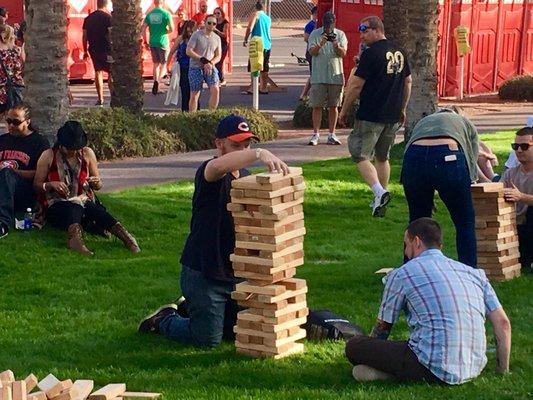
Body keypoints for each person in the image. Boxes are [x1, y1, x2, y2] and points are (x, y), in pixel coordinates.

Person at [138, 114, 290, 347]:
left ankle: (191, 308)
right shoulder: (210, 171)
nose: (243, 150)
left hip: (234, 272)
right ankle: (164, 319)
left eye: (247, 145)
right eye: (235, 145)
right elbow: (218, 166)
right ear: (219, 144)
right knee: (208, 340)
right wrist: (259, 153)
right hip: (204, 271)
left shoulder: (247, 179)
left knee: (238, 331)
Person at [346, 218, 511, 384]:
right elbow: (503, 323)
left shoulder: (402, 274)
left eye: (406, 245)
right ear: (440, 245)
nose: (405, 252)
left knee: (354, 346)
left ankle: (387, 374)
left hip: (428, 364)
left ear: (416, 241)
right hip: (473, 367)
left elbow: (383, 328)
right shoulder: (474, 274)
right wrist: (502, 370)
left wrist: (371, 352)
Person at [339, 16, 412, 217]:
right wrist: (403, 108)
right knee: (382, 156)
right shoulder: (400, 51)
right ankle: (381, 201)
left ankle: (379, 192)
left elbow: (355, 85)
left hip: (371, 114)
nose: (361, 36)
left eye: (365, 31)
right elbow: (408, 82)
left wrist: (344, 110)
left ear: (377, 30)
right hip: (392, 114)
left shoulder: (372, 54)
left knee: (360, 154)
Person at [33, 121, 140, 256]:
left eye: (76, 147)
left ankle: (125, 236)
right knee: (76, 206)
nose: (73, 151)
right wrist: (50, 185)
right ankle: (75, 240)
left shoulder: (87, 154)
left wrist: (96, 183)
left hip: (84, 200)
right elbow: (37, 185)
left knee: (93, 209)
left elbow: (98, 184)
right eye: (70, 148)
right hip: (57, 204)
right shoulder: (48, 155)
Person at [401, 109, 479, 267]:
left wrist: (424, 191)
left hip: (413, 158)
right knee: (464, 221)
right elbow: (471, 156)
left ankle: (410, 270)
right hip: (448, 155)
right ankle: (470, 270)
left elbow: (413, 150)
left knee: (417, 222)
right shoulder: (464, 122)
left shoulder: (424, 122)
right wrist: (469, 182)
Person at [0, 105, 49, 239]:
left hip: (25, 191)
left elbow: (41, 175)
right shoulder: (2, 140)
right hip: (3, 187)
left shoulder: (39, 142)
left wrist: (14, 172)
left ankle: (3, 223)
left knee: (6, 174)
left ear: (27, 121)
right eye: (8, 121)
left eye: (16, 122)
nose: (11, 125)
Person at [306, 11, 347, 146]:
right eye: (326, 24)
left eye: (330, 24)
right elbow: (312, 52)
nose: (328, 28)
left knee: (333, 106)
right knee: (316, 106)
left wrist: (337, 46)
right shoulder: (315, 34)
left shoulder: (340, 34)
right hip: (319, 75)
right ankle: (316, 134)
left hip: (335, 75)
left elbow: (343, 53)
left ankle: (332, 134)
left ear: (334, 22)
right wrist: (321, 43)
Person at [502, 127, 533, 270]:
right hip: (515, 226)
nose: (519, 150)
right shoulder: (510, 173)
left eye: (525, 146)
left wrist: (521, 197)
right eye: (516, 146)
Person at [186, 14, 221, 112]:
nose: (211, 25)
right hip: (196, 67)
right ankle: (192, 118)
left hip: (210, 66)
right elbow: (188, 51)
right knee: (195, 93)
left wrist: (211, 63)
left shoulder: (216, 38)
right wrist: (202, 59)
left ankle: (212, 113)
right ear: (205, 23)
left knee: (215, 89)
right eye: (209, 23)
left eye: (214, 23)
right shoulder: (197, 35)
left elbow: (218, 55)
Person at [82, 0, 113, 106]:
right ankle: (113, 97)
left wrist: (85, 50)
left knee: (98, 72)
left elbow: (84, 36)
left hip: (94, 49)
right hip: (107, 49)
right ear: (106, 5)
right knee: (111, 73)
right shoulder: (108, 18)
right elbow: (111, 34)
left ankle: (100, 99)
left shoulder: (88, 18)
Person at [142, 0, 174, 95]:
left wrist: (145, 41)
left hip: (153, 41)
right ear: (163, 3)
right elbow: (172, 28)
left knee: (156, 63)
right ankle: (158, 82)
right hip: (163, 41)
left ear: (154, 3)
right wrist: (165, 31)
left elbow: (143, 29)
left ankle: (155, 80)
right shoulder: (166, 14)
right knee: (163, 63)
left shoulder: (150, 14)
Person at [167, 20, 198, 112]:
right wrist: (168, 66)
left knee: (195, 90)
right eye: (190, 29)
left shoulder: (197, 38)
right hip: (183, 67)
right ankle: (185, 110)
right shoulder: (181, 39)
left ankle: (196, 110)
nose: (191, 32)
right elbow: (172, 52)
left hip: (194, 67)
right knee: (185, 90)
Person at [243, 1, 272, 94]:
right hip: (267, 43)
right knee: (264, 66)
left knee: (254, 65)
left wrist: (245, 39)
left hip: (257, 43)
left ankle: (253, 87)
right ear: (264, 8)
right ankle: (263, 87)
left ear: (255, 7)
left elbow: (249, 28)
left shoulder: (255, 15)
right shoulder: (268, 18)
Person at [0, 24, 24, 116]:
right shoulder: (16, 51)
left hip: (3, 92)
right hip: (15, 90)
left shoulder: (5, 53)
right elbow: (20, 69)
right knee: (11, 121)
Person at [299, 6, 317, 101]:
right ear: (314, 14)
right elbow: (306, 38)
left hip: (316, 52)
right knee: (314, 74)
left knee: (314, 74)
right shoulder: (310, 25)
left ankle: (304, 94)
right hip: (311, 52)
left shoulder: (319, 24)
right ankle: (304, 94)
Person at [213, 7, 229, 86]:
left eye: (218, 13)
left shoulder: (225, 23)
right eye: (215, 13)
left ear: (222, 14)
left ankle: (221, 79)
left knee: (219, 62)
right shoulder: (213, 22)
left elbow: (224, 35)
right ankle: (217, 78)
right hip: (215, 45)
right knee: (214, 62)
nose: (216, 15)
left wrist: (216, 30)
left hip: (223, 45)